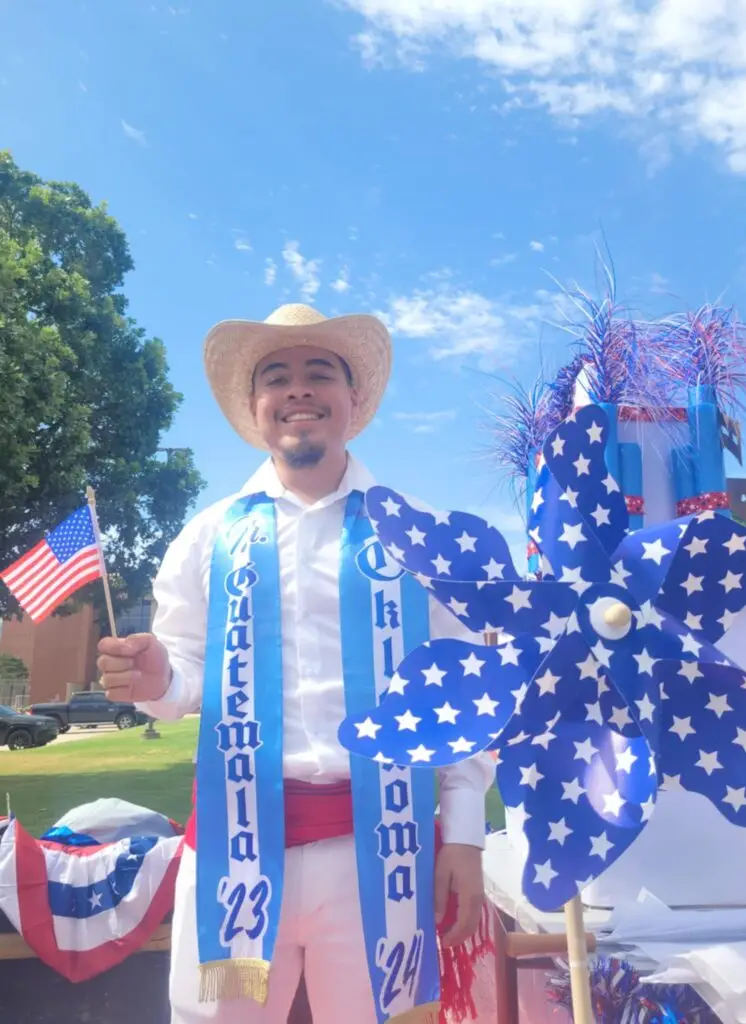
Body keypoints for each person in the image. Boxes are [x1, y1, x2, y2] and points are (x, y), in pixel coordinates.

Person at [97, 303, 494, 1024]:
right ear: (255, 409)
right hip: (236, 849)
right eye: (276, 377)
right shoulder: (208, 535)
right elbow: (180, 675)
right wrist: (157, 680)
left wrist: (464, 832)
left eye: (321, 373)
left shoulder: (417, 530)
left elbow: (466, 690)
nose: (299, 390)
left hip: (383, 849)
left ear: (356, 400)